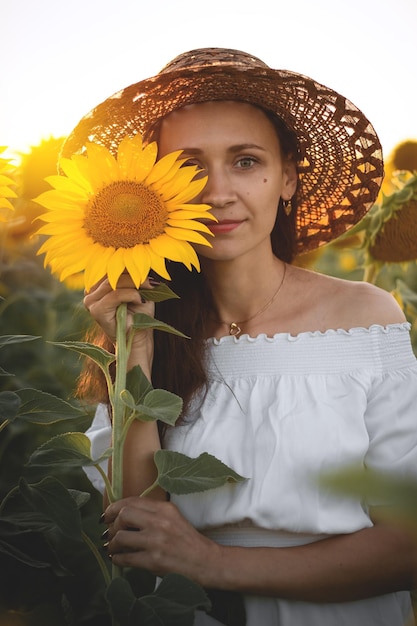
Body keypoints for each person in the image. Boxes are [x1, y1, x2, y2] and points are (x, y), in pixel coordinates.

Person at [69, 49, 417, 625]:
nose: (216, 191)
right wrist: (136, 351)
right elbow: (133, 529)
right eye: (188, 166)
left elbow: (407, 543)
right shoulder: (147, 326)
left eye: (246, 161)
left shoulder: (365, 315)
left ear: (288, 179)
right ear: (158, 190)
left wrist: (213, 562)